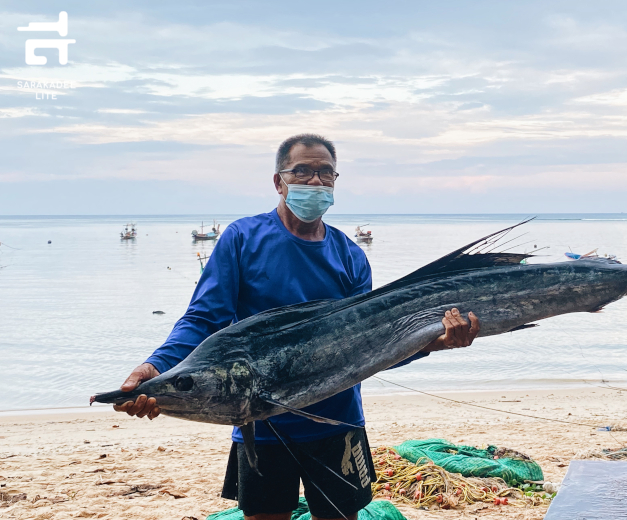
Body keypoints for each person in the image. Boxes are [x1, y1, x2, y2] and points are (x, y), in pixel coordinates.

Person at [113, 134, 480, 520]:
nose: (315, 181)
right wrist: (159, 367)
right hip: (260, 422)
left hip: (338, 421)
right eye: (302, 171)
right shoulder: (242, 239)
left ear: (336, 182)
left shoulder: (350, 256)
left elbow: (373, 350)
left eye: (325, 173)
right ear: (279, 181)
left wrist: (432, 344)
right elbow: (204, 318)